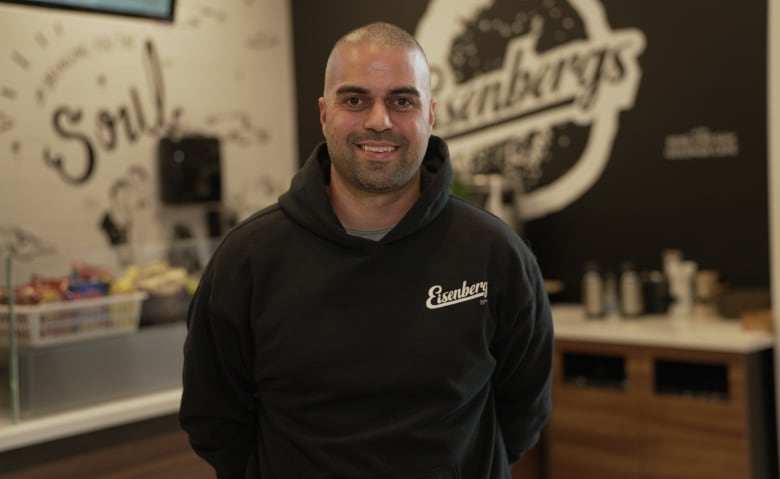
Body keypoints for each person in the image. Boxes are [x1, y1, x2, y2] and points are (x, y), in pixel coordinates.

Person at [179, 21, 553, 479]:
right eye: (355, 100)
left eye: (402, 100)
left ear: (430, 114)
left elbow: (523, 411)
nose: (379, 120)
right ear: (323, 113)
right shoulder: (247, 260)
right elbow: (214, 418)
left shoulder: (497, 254)